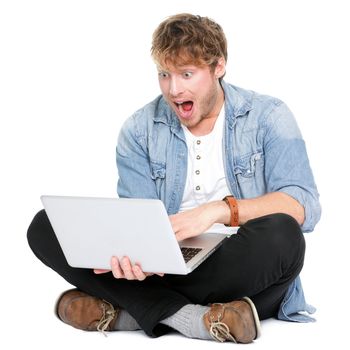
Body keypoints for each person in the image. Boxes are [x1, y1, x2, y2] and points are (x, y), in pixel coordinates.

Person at [27, 13, 321, 344]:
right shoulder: (139, 130)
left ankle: (127, 311)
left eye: (186, 74)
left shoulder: (268, 116)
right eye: (164, 75)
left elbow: (303, 205)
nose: (174, 89)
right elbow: (138, 224)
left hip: (236, 263)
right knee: (44, 226)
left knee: (285, 235)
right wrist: (137, 255)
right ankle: (197, 319)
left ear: (218, 67)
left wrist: (216, 211)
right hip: (161, 268)